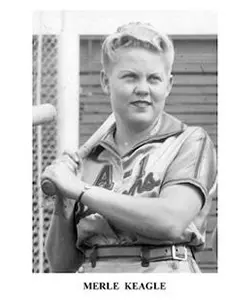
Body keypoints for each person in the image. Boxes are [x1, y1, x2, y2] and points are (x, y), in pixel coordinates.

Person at [43, 22, 217, 273]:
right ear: (105, 82)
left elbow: (170, 221)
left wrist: (81, 190)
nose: (143, 89)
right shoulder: (88, 159)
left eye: (154, 79)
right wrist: (65, 197)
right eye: (130, 77)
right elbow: (62, 265)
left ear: (168, 85)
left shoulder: (189, 141)